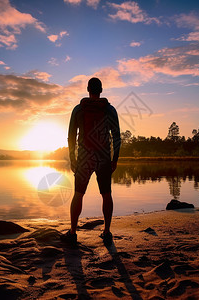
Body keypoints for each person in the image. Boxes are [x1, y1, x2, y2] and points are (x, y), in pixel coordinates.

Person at [61, 77, 121, 246]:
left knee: (78, 194)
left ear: (88, 90)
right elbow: (117, 138)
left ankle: (72, 233)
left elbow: (71, 137)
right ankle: (107, 232)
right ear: (101, 90)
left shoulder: (79, 109)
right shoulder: (110, 110)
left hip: (84, 158)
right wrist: (114, 159)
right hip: (103, 159)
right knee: (106, 194)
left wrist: (73, 159)